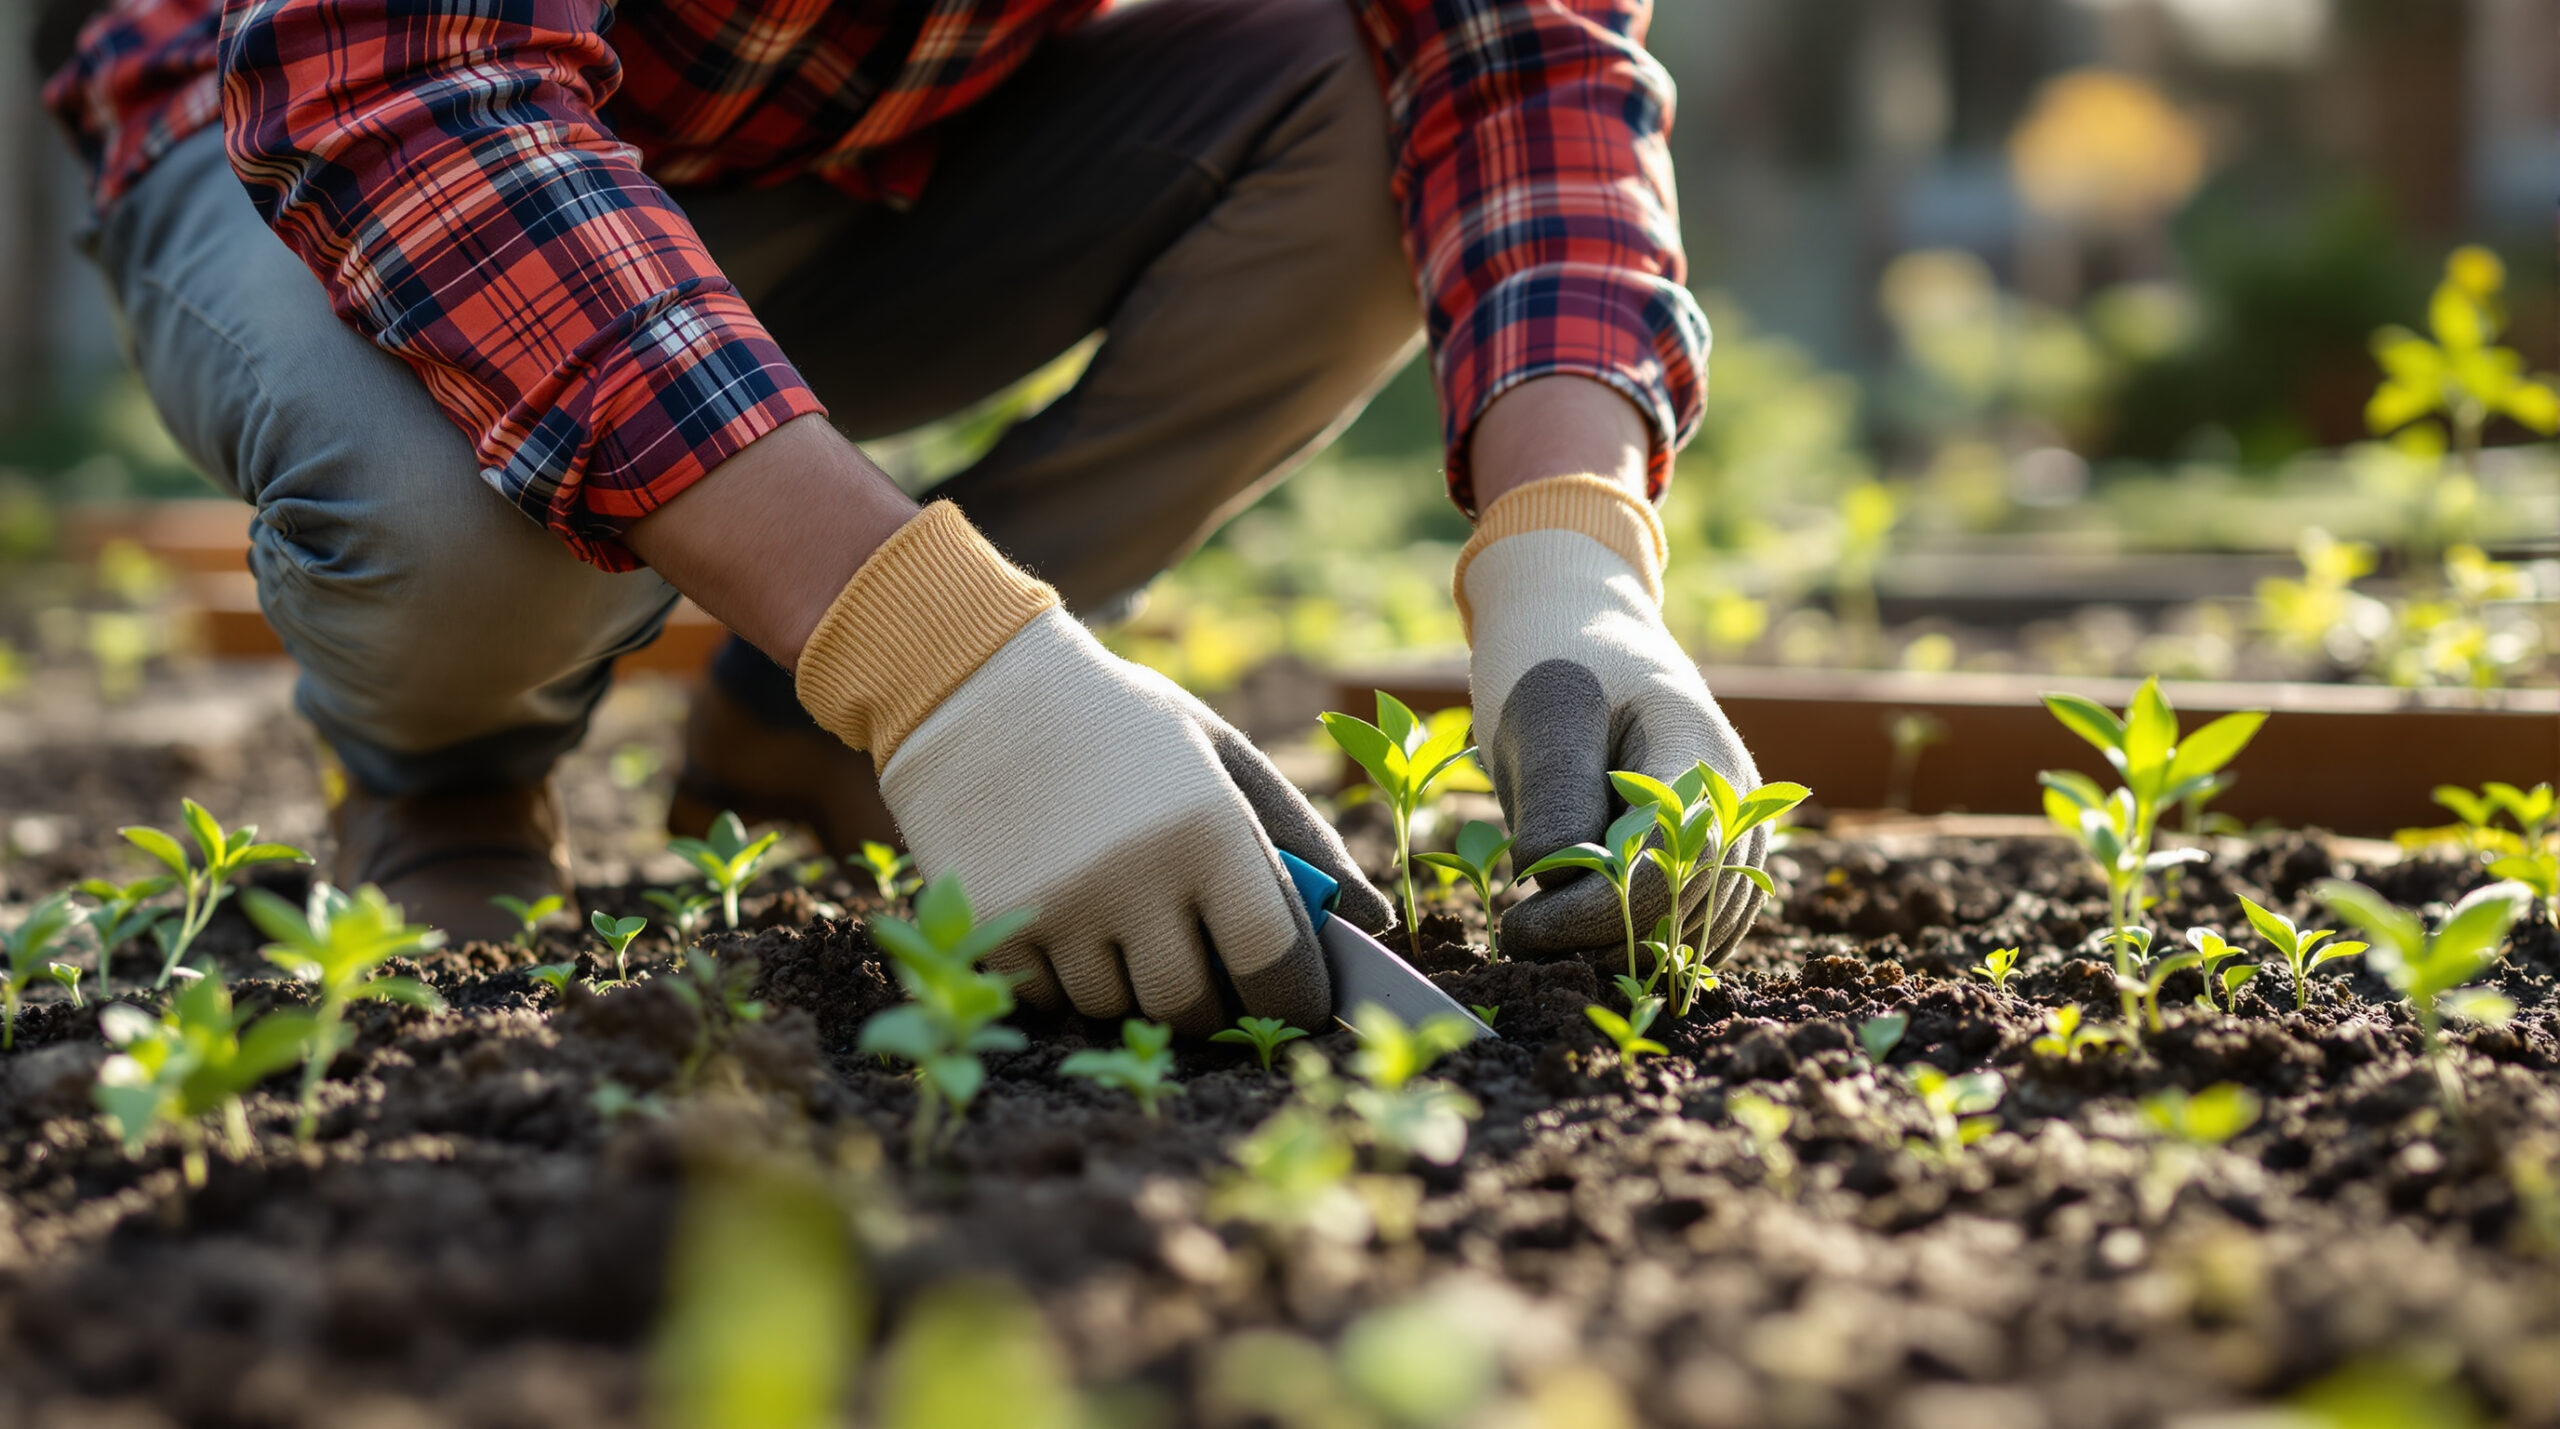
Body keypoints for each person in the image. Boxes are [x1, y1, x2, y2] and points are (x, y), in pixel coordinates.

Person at [42, 0, 1766, 1034]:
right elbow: (396, 83)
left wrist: (1573, 552)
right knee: (457, 516)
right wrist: (940, 656)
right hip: (326, 138)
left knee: (1367, 106)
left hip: (868, 149)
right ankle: (451, 782)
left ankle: (821, 729)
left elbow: (1518, 54)